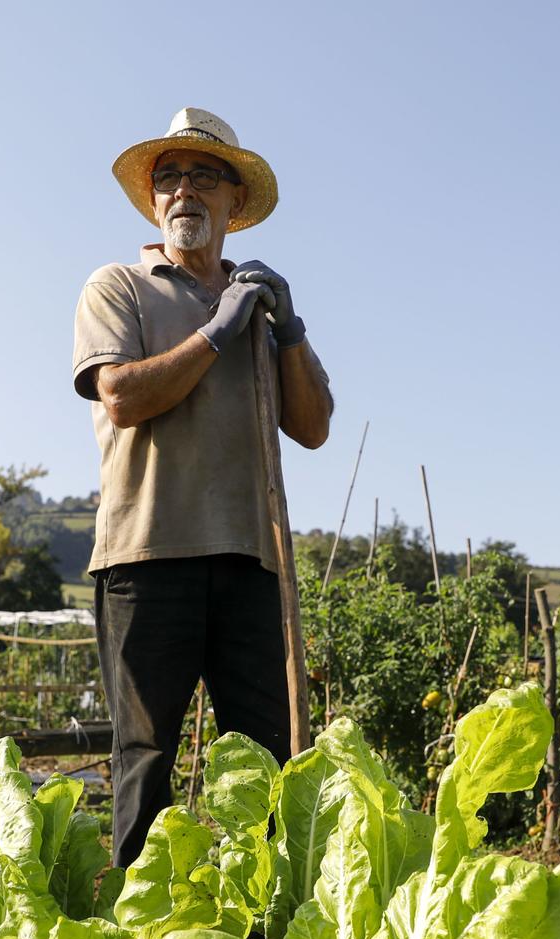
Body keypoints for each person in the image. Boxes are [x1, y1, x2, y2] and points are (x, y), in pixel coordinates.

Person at [72, 107, 333, 867]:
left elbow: (312, 425)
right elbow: (121, 395)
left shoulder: (259, 306)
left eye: (203, 175)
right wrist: (214, 331)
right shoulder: (118, 284)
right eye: (169, 177)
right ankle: (137, 930)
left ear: (232, 204)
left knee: (265, 759)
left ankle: (266, 931)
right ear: (155, 201)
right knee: (147, 754)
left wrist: (286, 328)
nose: (184, 189)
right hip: (147, 556)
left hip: (251, 559)